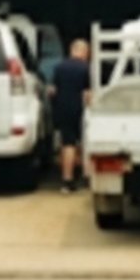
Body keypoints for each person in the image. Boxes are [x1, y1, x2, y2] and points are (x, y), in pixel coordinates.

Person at [50, 39, 92, 192]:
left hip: (63, 109)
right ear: (84, 52)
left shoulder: (59, 67)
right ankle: (87, 179)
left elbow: (52, 90)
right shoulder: (86, 68)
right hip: (80, 109)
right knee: (87, 143)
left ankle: (67, 181)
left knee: (68, 144)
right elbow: (88, 94)